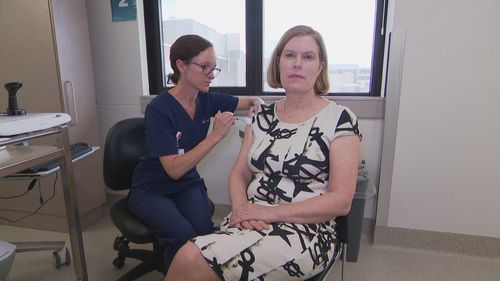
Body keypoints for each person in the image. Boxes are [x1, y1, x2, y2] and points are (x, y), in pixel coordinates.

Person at [164, 25, 362, 281]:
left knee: (191, 260)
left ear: (320, 67)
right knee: (190, 258)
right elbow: (239, 172)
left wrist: (269, 212)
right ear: (278, 62)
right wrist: (240, 209)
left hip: (306, 230)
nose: (297, 64)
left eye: (308, 57)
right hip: (251, 218)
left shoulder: (340, 119)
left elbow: (342, 201)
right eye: (289, 55)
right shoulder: (262, 117)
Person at [127, 34, 263, 270]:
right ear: (181, 66)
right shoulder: (159, 110)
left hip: (186, 185)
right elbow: (174, 169)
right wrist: (215, 136)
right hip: (152, 189)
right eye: (204, 67)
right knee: (182, 237)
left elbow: (250, 100)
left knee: (206, 235)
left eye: (214, 68)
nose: (211, 74)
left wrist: (258, 102)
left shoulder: (206, 100)